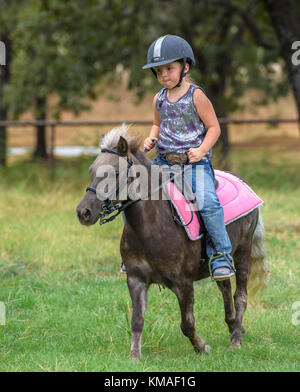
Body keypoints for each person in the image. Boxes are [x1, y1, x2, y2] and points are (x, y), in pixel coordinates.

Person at [141, 34, 235, 281]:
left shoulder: (196, 96)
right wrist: (151, 138)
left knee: (207, 202)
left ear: (185, 67)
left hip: (193, 163)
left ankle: (221, 257)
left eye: (169, 69)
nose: (164, 75)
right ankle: (138, 254)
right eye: (159, 71)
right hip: (162, 161)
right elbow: (157, 124)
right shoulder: (158, 98)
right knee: (137, 194)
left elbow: (214, 127)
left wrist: (202, 150)